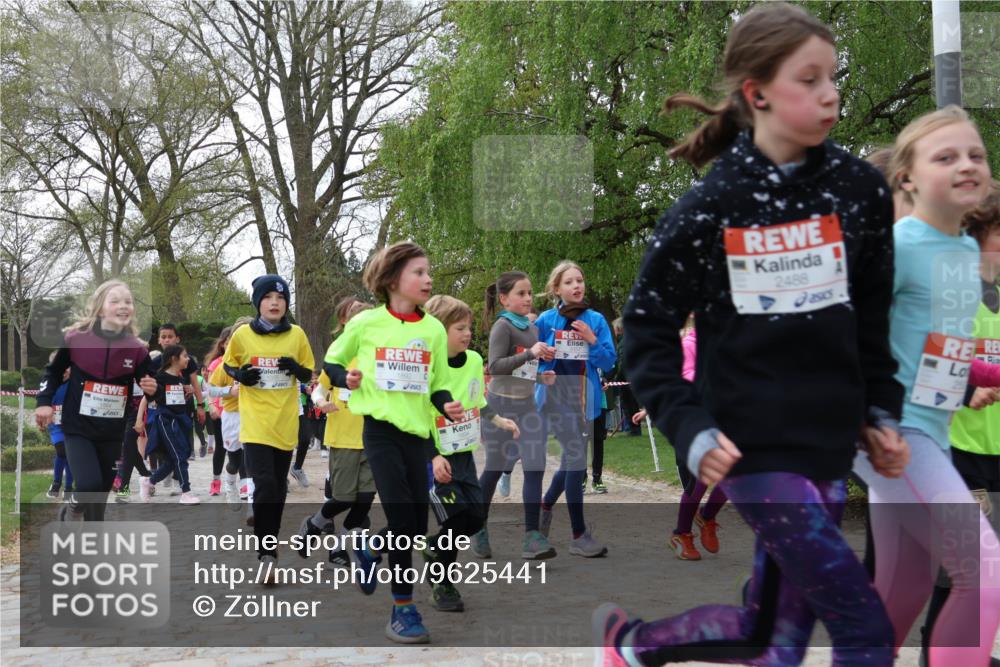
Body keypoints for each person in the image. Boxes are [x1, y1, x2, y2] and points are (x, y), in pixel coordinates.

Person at [597, 4, 904, 665]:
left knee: (772, 638)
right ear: (756, 93)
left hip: (825, 442)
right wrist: (689, 424)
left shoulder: (858, 191)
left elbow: (872, 317)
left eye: (833, 77)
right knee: (865, 628)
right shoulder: (710, 205)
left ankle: (632, 642)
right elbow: (646, 329)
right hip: (748, 448)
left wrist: (880, 409)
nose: (831, 94)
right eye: (810, 79)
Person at [852, 106, 1000, 667]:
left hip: (929, 433)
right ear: (908, 177)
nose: (967, 164)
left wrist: (985, 378)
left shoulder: (961, 252)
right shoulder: (897, 246)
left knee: (900, 593)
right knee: (985, 573)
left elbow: (945, 353)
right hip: (896, 434)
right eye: (946, 156)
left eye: (976, 154)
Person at [323, 241, 464, 644]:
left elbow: (436, 385)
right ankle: (403, 611)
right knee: (403, 520)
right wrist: (343, 377)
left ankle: (367, 548)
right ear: (391, 280)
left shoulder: (433, 329)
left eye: (428, 271)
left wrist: (446, 404)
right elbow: (332, 361)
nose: (428, 279)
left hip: (417, 437)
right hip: (380, 433)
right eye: (419, 272)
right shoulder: (367, 324)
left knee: (416, 526)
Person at [422, 294, 520, 611]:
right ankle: (444, 585)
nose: (467, 334)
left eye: (469, 327)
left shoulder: (476, 361)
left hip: (463, 455)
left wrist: (498, 418)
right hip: (434, 458)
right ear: (438, 330)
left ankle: (432, 547)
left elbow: (477, 401)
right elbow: (414, 415)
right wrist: (432, 456)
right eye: (459, 328)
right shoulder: (426, 367)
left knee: (475, 517)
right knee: (454, 518)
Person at [35, 280, 158, 521]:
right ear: (100, 308)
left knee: (100, 495)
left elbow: (152, 385)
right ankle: (71, 509)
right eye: (115, 301)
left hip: (111, 432)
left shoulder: (137, 350)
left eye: (128, 301)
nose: (123, 305)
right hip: (78, 428)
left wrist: (153, 388)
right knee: (89, 485)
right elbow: (52, 372)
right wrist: (44, 401)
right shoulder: (76, 339)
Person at [221, 274, 315, 570]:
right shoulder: (243, 335)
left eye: (281, 298)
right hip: (255, 422)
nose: (275, 303)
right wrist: (240, 375)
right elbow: (228, 363)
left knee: (277, 487)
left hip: (285, 421)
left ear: (286, 304)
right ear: (257, 303)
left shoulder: (297, 335)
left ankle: (269, 541)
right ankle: (266, 552)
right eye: (268, 298)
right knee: (263, 484)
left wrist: (296, 368)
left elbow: (307, 373)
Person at [474, 271, 557, 560]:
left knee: (535, 467)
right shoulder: (503, 326)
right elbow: (495, 367)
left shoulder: (532, 329)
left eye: (530, 293)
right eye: (521, 293)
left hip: (527, 407)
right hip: (500, 406)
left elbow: (524, 369)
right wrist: (531, 354)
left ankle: (532, 536)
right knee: (494, 468)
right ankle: (479, 527)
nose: (527, 298)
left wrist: (541, 377)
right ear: (504, 298)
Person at [536, 260, 615, 557]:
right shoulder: (544, 321)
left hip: (585, 400)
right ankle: (579, 535)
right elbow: (527, 361)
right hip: (555, 399)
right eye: (569, 282)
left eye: (579, 280)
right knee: (576, 461)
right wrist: (542, 356)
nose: (576, 286)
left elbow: (608, 363)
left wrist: (592, 341)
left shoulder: (595, 320)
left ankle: (545, 506)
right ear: (557, 288)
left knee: (572, 463)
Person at [296, 300, 374, 570]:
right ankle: (313, 524)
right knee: (343, 497)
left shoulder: (381, 357)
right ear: (348, 325)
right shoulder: (339, 356)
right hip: (343, 436)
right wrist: (320, 402)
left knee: (365, 501)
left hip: (376, 439)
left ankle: (338, 548)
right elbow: (319, 389)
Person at [137, 344, 200, 505]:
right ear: (174, 359)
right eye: (185, 356)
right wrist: (139, 420)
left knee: (176, 458)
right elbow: (148, 398)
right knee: (179, 456)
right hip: (166, 421)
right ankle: (186, 492)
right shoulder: (159, 378)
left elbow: (176, 401)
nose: (188, 359)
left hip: (180, 421)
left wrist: (187, 394)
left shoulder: (179, 379)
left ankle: (149, 481)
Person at [44, 364, 73, 501]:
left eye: (67, 368)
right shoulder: (50, 382)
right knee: (62, 451)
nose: (64, 371)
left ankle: (68, 488)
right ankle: (56, 484)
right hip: (56, 425)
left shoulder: (76, 383)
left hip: (72, 425)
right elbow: (44, 398)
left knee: (69, 455)